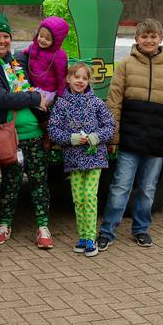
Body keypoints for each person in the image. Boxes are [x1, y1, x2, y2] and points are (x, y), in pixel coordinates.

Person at [0, 9, 53, 249]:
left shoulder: (13, 61)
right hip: (9, 136)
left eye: (6, 36)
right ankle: (4, 224)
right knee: (10, 183)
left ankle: (43, 226)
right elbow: (0, 99)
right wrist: (33, 97)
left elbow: (41, 56)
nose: (2, 40)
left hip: (34, 134)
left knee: (39, 182)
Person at [97, 19, 163, 250]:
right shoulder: (124, 65)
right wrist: (112, 136)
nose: (149, 40)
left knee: (147, 190)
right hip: (129, 139)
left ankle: (141, 229)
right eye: (144, 36)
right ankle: (107, 231)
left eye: (153, 36)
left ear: (161, 39)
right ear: (137, 39)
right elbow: (114, 104)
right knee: (120, 187)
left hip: (157, 142)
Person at [47, 62, 114, 257]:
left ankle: (91, 238)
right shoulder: (61, 104)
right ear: (68, 79)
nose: (80, 81)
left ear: (88, 81)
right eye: (77, 77)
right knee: (78, 199)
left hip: (94, 159)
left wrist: (96, 137)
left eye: (84, 78)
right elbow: (53, 130)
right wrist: (70, 138)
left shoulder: (96, 103)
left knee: (89, 197)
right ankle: (83, 236)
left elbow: (109, 126)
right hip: (74, 160)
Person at [15, 17, 70, 107]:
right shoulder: (34, 47)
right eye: (41, 36)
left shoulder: (59, 56)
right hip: (33, 85)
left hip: (47, 91)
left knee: (34, 106)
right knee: (19, 96)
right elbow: (26, 52)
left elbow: (62, 78)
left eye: (48, 39)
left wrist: (60, 96)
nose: (42, 40)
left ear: (56, 41)